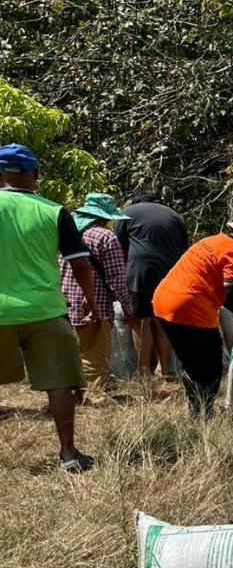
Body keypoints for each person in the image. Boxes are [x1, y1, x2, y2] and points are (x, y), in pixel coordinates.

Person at [0, 144, 97, 471]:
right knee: (59, 382)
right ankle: (69, 455)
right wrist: (91, 302)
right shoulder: (53, 211)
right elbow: (80, 264)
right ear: (35, 174)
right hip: (45, 309)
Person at [153, 212, 233, 418]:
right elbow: (231, 293)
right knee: (210, 369)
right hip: (189, 308)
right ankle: (204, 416)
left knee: (191, 363)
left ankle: (195, 413)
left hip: (163, 302)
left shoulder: (210, 241)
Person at [61, 193, 134, 400]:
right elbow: (117, 279)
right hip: (95, 303)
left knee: (71, 352)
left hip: (64, 301)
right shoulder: (106, 237)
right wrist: (128, 308)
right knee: (94, 354)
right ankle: (94, 396)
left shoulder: (69, 232)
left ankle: (72, 394)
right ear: (105, 217)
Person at [116, 187, 188, 380]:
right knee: (162, 319)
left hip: (141, 272)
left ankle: (144, 370)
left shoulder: (127, 213)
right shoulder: (175, 216)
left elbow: (119, 249)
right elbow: (184, 249)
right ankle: (164, 370)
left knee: (141, 320)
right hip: (172, 274)